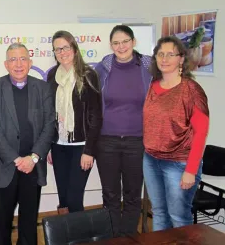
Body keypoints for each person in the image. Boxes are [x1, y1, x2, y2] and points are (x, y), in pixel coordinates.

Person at [0, 42, 55, 245]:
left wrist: (33, 158)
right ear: (6, 64)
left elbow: (49, 125)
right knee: (2, 223)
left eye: (23, 58)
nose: (18, 64)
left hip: (33, 166)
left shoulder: (42, 88)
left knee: (29, 222)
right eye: (13, 59)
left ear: (30, 62)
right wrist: (16, 159)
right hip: (5, 165)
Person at [143, 36, 209, 231]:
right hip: (151, 159)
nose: (164, 58)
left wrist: (191, 170)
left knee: (179, 217)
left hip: (179, 164)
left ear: (181, 59)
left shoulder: (191, 90)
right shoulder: (152, 86)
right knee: (159, 212)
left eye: (170, 54)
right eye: (160, 54)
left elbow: (201, 133)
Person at [94, 25, 152, 236]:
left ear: (133, 41)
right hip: (106, 141)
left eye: (125, 41)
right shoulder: (102, 69)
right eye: (116, 43)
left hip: (137, 141)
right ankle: (112, 237)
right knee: (110, 194)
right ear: (111, 45)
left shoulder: (148, 67)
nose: (121, 46)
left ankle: (128, 237)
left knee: (132, 194)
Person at [46, 30, 102, 215]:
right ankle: (64, 237)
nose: (62, 52)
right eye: (57, 49)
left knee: (74, 198)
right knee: (63, 198)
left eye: (65, 47)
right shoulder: (52, 75)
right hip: (58, 144)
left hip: (81, 146)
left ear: (74, 49)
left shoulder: (88, 75)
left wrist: (89, 151)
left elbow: (96, 116)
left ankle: (80, 239)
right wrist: (48, 146)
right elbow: (49, 113)